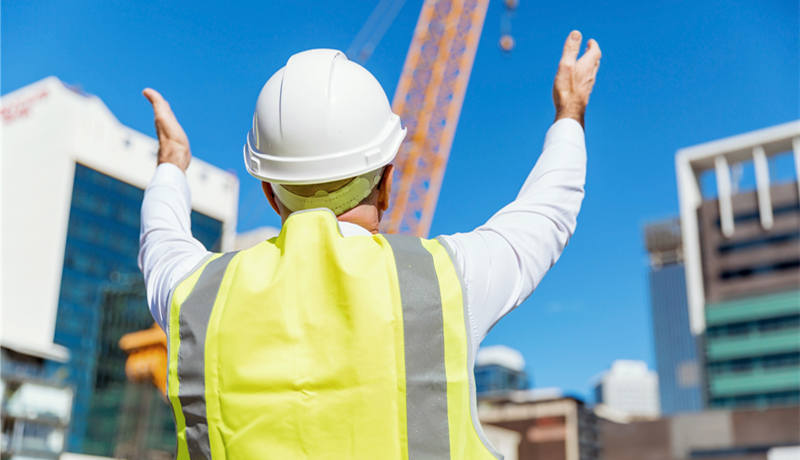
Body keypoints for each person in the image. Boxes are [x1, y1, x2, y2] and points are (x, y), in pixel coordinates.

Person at [139, 30, 600, 459]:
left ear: (268, 192)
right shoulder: (443, 283)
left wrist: (171, 164)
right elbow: (546, 213)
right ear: (387, 183)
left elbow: (161, 239)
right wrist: (570, 113)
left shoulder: (195, 298)